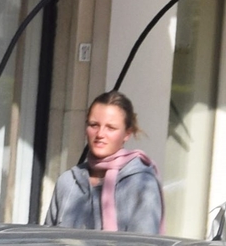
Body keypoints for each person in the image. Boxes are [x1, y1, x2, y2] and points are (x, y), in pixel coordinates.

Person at [49, 91, 162, 233]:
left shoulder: (142, 184)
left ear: (127, 133)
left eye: (111, 128)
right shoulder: (67, 182)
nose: (100, 134)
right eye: (94, 125)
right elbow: (48, 244)